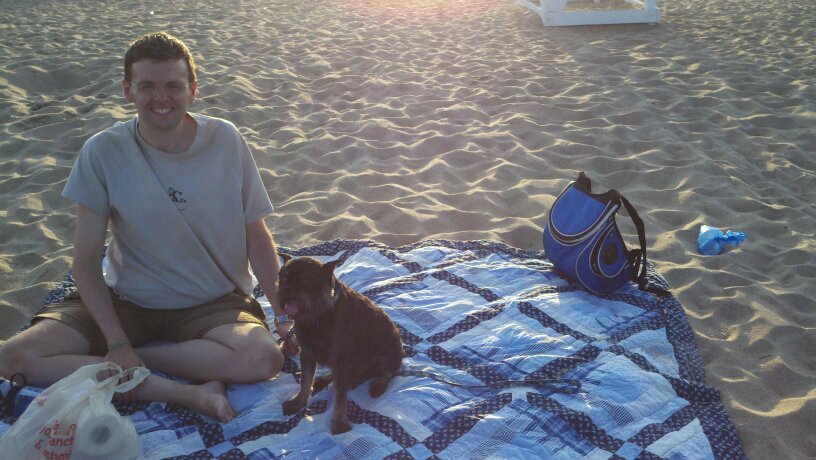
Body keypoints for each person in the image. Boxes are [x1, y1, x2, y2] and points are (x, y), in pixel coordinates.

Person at [0, 32, 297, 422]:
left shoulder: (226, 139)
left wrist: (283, 314)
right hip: (128, 302)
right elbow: (85, 262)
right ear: (128, 91)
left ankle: (137, 358)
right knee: (12, 358)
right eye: (148, 87)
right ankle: (185, 392)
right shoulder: (102, 151)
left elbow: (256, 235)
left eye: (173, 86)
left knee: (263, 358)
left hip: (213, 301)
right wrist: (117, 339)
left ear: (192, 90)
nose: (161, 98)